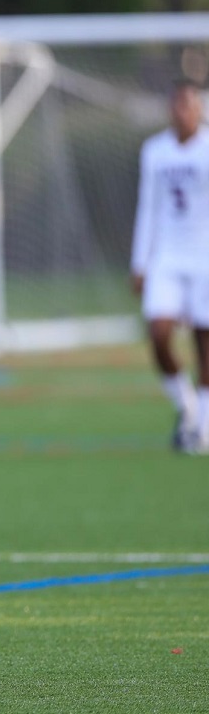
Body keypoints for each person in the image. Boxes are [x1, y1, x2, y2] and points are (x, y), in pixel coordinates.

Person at [131, 79, 209, 454]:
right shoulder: (155, 151)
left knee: (204, 340)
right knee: (159, 333)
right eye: (177, 104)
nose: (183, 111)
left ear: (199, 108)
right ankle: (188, 407)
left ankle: (203, 428)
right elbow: (148, 206)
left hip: (205, 257)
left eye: (189, 104)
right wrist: (139, 262)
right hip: (167, 256)